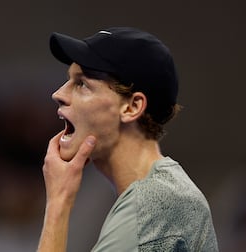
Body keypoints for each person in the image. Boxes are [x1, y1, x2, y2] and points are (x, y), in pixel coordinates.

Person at [37, 27, 218, 251]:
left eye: (81, 83)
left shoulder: (155, 204)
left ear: (132, 107)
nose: (58, 94)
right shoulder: (160, 194)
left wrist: (58, 203)